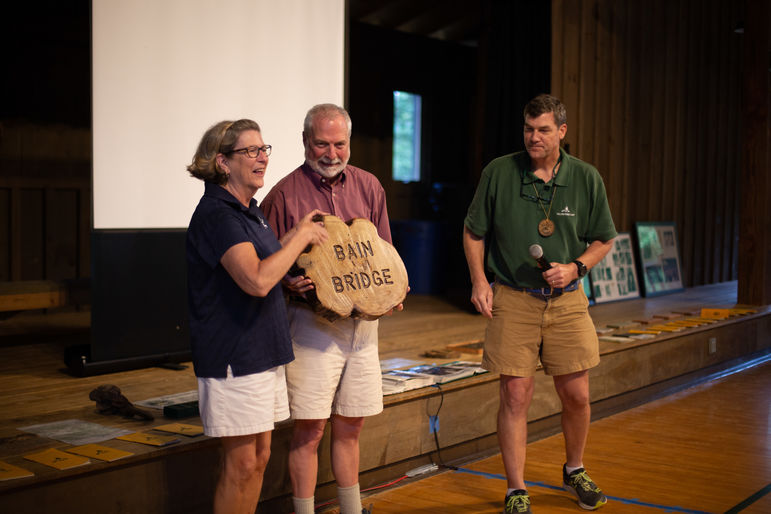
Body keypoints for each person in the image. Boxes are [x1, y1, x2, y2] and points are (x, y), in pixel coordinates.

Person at [463, 94, 617, 513]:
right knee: (515, 395)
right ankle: (516, 489)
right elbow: (473, 231)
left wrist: (576, 269)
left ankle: (574, 469)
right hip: (513, 298)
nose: (534, 137)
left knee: (578, 396)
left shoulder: (586, 178)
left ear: (562, 132)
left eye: (544, 129)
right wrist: (479, 281)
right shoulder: (499, 171)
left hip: (567, 302)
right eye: (529, 129)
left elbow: (604, 238)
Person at [185, 119, 328, 514]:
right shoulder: (219, 214)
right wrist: (299, 237)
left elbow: (267, 263)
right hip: (234, 354)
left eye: (264, 149)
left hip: (262, 349)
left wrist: (292, 239)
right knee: (241, 463)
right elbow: (256, 280)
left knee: (260, 456)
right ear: (222, 162)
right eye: (251, 151)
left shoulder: (248, 211)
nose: (262, 158)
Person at [261, 104, 394, 514]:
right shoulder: (283, 195)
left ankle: (351, 510)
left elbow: (384, 253)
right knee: (310, 429)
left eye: (340, 144)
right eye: (322, 143)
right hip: (311, 326)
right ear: (305, 142)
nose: (331, 153)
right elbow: (263, 266)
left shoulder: (370, 187)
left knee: (352, 423)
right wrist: (288, 282)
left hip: (363, 328)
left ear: (349, 144)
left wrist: (391, 289)